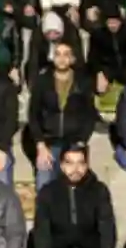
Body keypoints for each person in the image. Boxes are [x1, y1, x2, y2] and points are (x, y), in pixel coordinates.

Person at [27, 38, 99, 188]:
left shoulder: (83, 82)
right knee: (44, 184)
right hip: (49, 143)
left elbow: (89, 115)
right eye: (58, 54)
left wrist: (81, 142)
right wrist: (40, 145)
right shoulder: (42, 81)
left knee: (77, 186)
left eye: (66, 54)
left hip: (74, 142)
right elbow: (33, 115)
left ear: (72, 59)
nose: (61, 58)